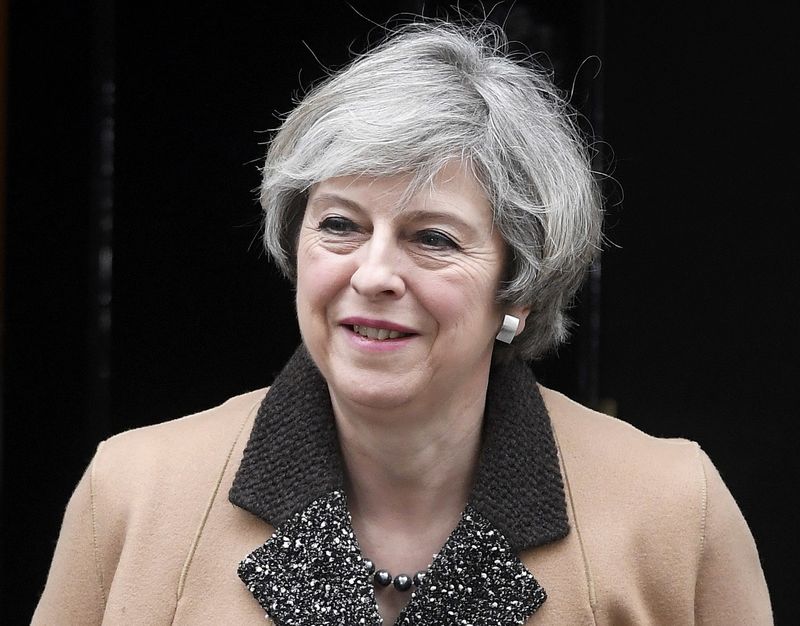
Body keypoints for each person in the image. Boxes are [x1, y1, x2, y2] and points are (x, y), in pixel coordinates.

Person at [33, 20, 771, 625]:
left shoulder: (674, 512)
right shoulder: (135, 494)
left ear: (517, 287)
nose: (374, 274)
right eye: (342, 225)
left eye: (433, 238)